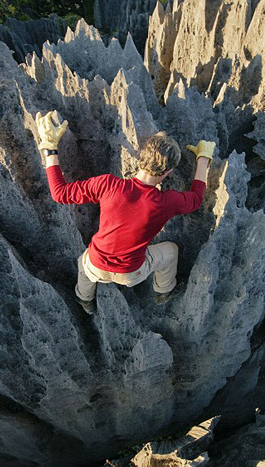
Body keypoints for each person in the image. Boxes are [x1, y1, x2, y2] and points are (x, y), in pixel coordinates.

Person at [35, 110, 214, 314]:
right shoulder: (166, 202)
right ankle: (163, 291)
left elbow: (60, 194)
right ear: (167, 172)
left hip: (96, 264)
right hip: (131, 273)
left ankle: (85, 300)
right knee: (171, 251)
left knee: (83, 266)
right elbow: (196, 199)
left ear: (141, 159)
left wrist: (50, 148)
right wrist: (203, 158)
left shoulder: (108, 184)